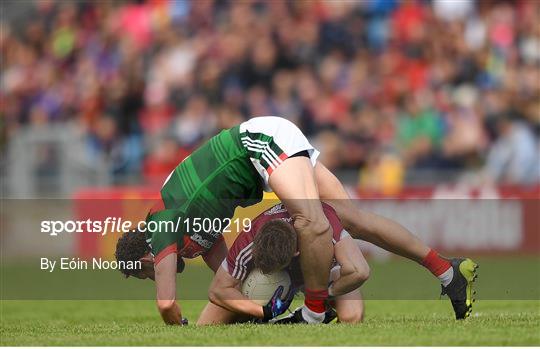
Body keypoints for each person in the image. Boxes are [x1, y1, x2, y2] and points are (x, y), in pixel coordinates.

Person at [115, 116, 478, 325]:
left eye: (145, 272)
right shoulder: (184, 226)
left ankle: (315, 312)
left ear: (145, 256)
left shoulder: (161, 228)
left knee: (311, 220)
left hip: (257, 143)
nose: (156, 275)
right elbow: (228, 279)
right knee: (351, 218)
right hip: (264, 146)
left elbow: (166, 305)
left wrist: (177, 329)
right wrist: (261, 309)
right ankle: (448, 271)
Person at [197, 202, 367, 325]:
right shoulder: (248, 239)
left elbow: (359, 271)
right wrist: (263, 311)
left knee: (352, 316)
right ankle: (262, 318)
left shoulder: (323, 224)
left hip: (320, 276)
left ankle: (306, 313)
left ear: (296, 252)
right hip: (264, 287)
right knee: (206, 324)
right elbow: (217, 290)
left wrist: (322, 295)